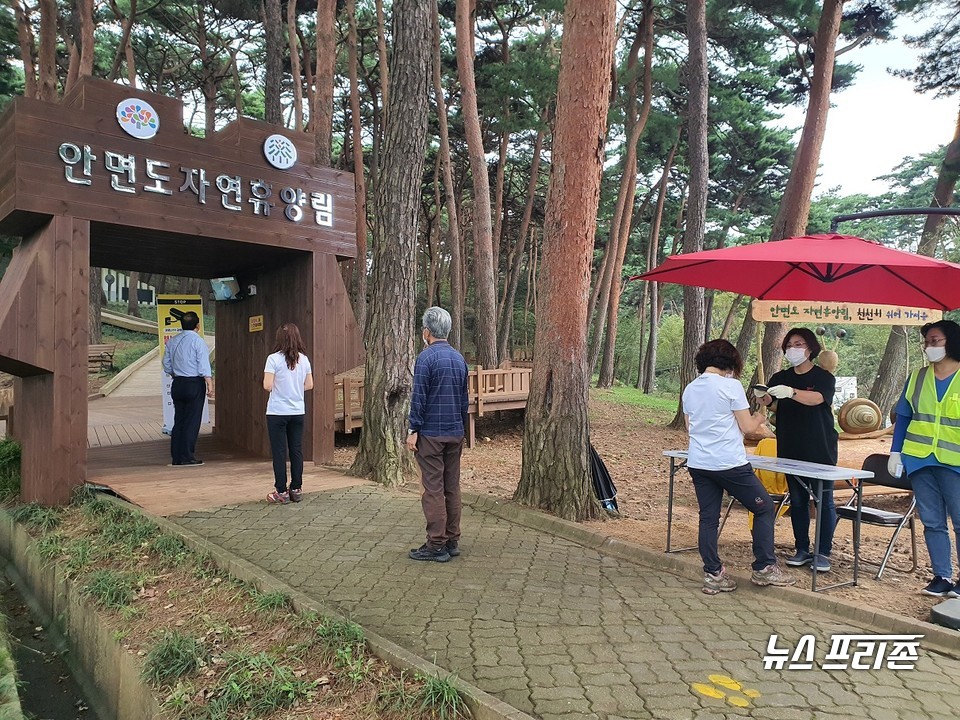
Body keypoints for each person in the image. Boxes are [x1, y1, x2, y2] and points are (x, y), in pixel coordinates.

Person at [682, 339, 795, 594]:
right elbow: (748, 427)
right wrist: (761, 415)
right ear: (731, 363)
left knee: (708, 519)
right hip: (729, 463)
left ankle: (713, 573)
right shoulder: (730, 386)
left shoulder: (690, 388)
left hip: (699, 462)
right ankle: (764, 567)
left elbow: (690, 426)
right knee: (764, 506)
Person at [757, 327, 838, 573]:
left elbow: (817, 399)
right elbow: (772, 407)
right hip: (790, 445)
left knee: (823, 499)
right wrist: (764, 398)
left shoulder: (824, 377)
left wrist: (792, 392)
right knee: (799, 499)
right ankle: (801, 548)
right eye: (790, 344)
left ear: (810, 348)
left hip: (819, 446)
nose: (793, 348)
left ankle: (823, 552)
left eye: (799, 344)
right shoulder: (780, 376)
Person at [888, 320, 960, 598]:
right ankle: (941, 576)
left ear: (951, 342)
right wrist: (896, 451)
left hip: (954, 461)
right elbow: (904, 416)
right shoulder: (918, 376)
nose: (929, 346)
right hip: (920, 459)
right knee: (932, 521)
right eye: (927, 342)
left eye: (935, 341)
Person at [406, 306, 469, 563]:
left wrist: (413, 430)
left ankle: (436, 544)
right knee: (451, 486)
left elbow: (418, 398)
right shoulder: (459, 359)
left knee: (433, 489)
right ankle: (452, 539)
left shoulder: (426, 359)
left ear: (427, 332)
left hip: (431, 433)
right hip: (455, 431)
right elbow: (464, 401)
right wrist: (463, 429)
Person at [263, 323, 314, 505]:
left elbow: (267, 385)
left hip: (277, 411)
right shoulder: (304, 360)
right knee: (296, 450)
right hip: (297, 411)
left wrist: (281, 386)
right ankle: (296, 488)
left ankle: (281, 491)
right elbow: (309, 385)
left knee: (279, 451)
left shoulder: (273, 359)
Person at [161, 311, 214, 466]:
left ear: (181, 324)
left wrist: (174, 374)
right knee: (192, 421)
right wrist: (209, 382)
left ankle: (176, 456)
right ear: (198, 325)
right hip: (194, 383)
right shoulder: (198, 342)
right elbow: (203, 364)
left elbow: (166, 364)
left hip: (178, 383)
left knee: (179, 420)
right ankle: (187, 456)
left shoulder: (172, 341)